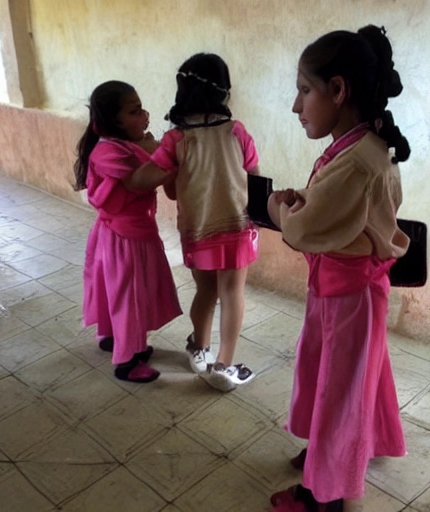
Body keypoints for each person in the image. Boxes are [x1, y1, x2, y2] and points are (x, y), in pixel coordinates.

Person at [266, 25, 410, 512]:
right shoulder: (359, 148)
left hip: (350, 298)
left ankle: (324, 493)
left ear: (338, 89)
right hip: (341, 292)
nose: (296, 105)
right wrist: (307, 201)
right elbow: (341, 214)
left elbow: (303, 231)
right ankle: (345, 450)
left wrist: (275, 206)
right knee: (341, 379)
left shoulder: (356, 161)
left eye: (304, 90)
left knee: (340, 391)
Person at [126, 53, 260, 392]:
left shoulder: (177, 140)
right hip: (237, 226)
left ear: (182, 89)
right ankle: (224, 366)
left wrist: (138, 151)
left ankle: (198, 348)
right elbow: (255, 179)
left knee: (207, 291)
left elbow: (146, 183)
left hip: (199, 231)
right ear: (224, 90)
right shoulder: (236, 131)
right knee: (233, 294)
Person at [73, 80, 182, 383]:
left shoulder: (126, 146)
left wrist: (152, 148)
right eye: (135, 111)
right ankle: (127, 359)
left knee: (117, 291)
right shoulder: (108, 152)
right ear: (113, 121)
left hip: (129, 232)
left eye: (141, 108)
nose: (145, 115)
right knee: (130, 296)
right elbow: (139, 181)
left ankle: (111, 337)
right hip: (124, 237)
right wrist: (164, 151)